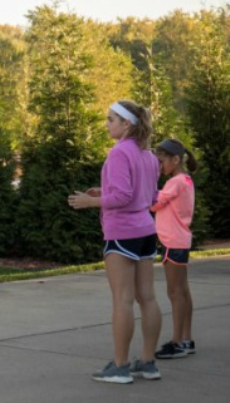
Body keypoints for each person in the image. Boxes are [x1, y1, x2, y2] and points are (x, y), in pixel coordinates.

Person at [68, 100, 162, 384]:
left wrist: (90, 201)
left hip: (122, 232)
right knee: (147, 298)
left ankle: (120, 366)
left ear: (126, 125)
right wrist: (104, 191)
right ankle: (147, 363)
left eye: (111, 119)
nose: (107, 124)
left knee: (122, 300)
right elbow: (150, 196)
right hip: (146, 230)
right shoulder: (148, 155)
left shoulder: (120, 152)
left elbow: (121, 198)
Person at [151, 139, 197, 359]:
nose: (158, 167)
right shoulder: (184, 180)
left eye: (161, 162)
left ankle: (177, 342)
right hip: (179, 241)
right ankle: (186, 339)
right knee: (183, 291)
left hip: (172, 242)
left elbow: (153, 204)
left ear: (175, 160)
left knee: (175, 292)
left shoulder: (175, 182)